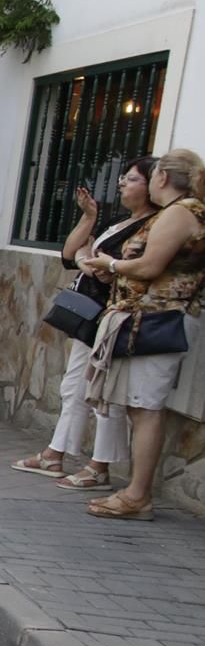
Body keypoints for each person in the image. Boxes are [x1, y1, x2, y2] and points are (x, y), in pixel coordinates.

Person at [11, 157, 158, 490]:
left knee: (102, 391)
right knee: (74, 385)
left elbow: (112, 265)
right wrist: (89, 218)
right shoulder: (122, 222)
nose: (122, 183)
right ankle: (55, 453)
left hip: (115, 317)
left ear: (152, 186)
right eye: (124, 177)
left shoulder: (151, 227)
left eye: (132, 179)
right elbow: (72, 253)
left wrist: (94, 261)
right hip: (93, 314)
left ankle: (98, 466)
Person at [78, 149, 205, 520]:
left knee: (146, 407)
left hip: (159, 319)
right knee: (140, 405)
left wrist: (111, 264)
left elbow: (150, 266)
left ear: (162, 177)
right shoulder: (179, 212)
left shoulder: (182, 213)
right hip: (150, 318)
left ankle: (138, 495)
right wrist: (114, 272)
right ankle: (135, 491)